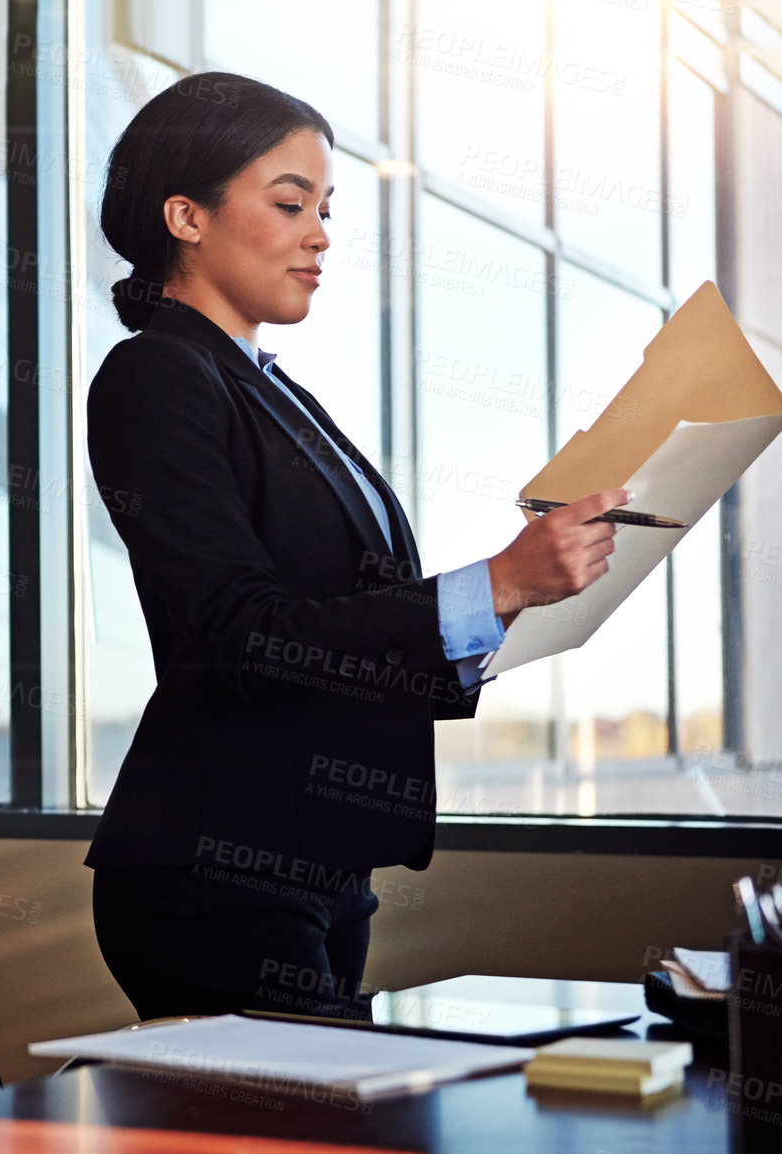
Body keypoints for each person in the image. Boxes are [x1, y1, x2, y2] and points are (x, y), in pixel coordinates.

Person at [85, 72, 626, 1021]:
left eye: (324, 208)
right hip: (217, 869)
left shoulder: (269, 388)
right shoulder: (155, 375)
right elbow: (232, 630)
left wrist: (509, 606)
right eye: (291, 203)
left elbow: (329, 618)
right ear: (187, 216)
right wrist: (491, 585)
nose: (321, 234)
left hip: (321, 861)